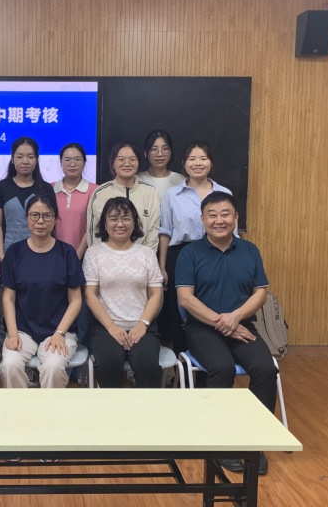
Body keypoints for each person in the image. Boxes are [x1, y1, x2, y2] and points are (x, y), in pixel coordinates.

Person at [175, 191, 277, 475]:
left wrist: (236, 317)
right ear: (202, 219)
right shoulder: (189, 253)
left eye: (225, 214)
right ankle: (219, 444)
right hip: (202, 328)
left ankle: (255, 443)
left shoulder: (250, 250)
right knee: (221, 367)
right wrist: (222, 321)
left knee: (265, 369)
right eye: (212, 215)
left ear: (235, 218)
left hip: (243, 325)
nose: (219, 221)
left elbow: (260, 293)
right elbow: (185, 299)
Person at [0, 194, 85, 388]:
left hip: (59, 330)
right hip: (22, 330)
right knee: (10, 365)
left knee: (53, 367)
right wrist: (12, 334)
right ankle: (21, 408)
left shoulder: (67, 253)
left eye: (47, 216)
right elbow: (8, 298)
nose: (40, 221)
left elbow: (76, 300)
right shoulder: (14, 252)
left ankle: (49, 408)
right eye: (34, 215)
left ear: (55, 219)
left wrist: (59, 333)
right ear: (27, 218)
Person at [158, 141, 232, 354]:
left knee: (213, 304)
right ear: (184, 164)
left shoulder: (223, 193)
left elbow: (232, 233)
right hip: (180, 255)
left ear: (211, 163)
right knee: (179, 310)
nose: (197, 163)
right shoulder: (172, 194)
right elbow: (165, 231)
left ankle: (215, 357)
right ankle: (182, 361)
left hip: (216, 253)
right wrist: (162, 267)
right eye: (192, 159)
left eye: (203, 158)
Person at [83, 198, 163, 388]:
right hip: (106, 327)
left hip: (142, 326)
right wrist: (111, 327)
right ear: (104, 223)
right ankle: (114, 408)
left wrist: (143, 324)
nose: (120, 224)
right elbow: (90, 295)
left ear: (134, 222)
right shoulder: (93, 253)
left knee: (147, 365)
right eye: (113, 219)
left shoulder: (147, 253)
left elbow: (156, 294)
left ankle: (146, 408)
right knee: (108, 364)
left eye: (126, 218)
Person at [87, 142, 160, 251]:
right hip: (106, 258)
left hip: (142, 258)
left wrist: (145, 257)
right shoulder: (100, 193)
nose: (127, 163)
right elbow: (94, 233)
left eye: (132, 159)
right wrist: (104, 257)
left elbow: (153, 231)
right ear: (113, 163)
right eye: (121, 159)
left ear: (138, 162)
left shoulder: (151, 192)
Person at [0, 137, 56, 261]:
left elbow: (52, 222)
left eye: (30, 157)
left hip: (41, 252)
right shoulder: (2, 187)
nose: (25, 161)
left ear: (37, 159)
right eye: (20, 157)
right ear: (12, 159)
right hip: (9, 253)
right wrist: (1, 255)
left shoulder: (46, 188)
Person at [53, 142, 98, 260]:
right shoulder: (49, 189)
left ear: (84, 162)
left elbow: (93, 227)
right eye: (67, 160)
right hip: (52, 255)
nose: (72, 164)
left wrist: (76, 256)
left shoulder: (95, 191)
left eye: (77, 159)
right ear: (61, 163)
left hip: (84, 256)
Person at [136, 130, 185, 199]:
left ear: (171, 152)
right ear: (145, 153)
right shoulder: (137, 180)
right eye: (154, 149)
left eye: (165, 149)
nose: (160, 154)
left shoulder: (180, 180)